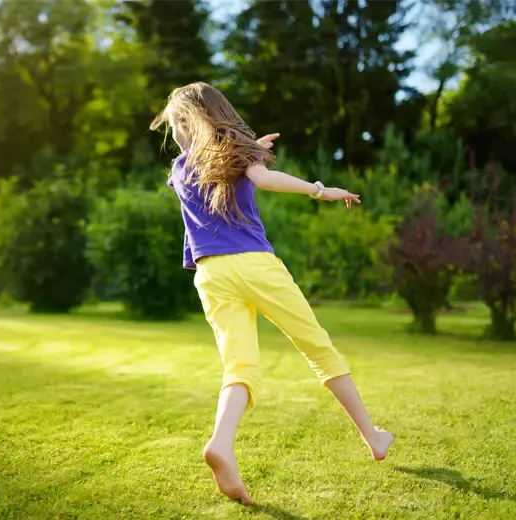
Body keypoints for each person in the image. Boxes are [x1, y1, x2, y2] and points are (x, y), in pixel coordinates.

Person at [151, 82, 394, 505]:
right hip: (254, 264)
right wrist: (320, 189)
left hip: (209, 274)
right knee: (318, 349)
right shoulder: (237, 154)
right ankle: (372, 436)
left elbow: (215, 164)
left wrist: (249, 149)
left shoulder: (178, 170)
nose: (175, 134)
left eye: (176, 125)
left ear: (189, 125)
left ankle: (222, 443)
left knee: (240, 367)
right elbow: (264, 179)